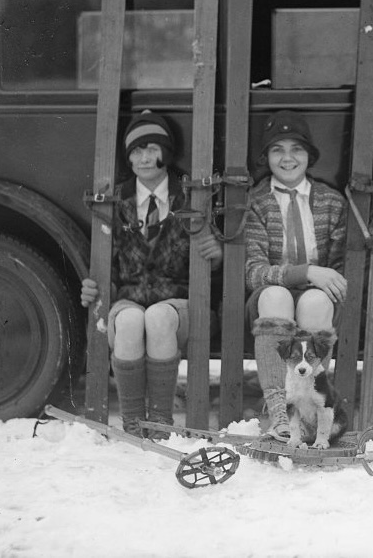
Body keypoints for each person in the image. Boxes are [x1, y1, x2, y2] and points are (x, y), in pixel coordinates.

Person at [80, 111, 222, 437]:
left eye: (152, 149)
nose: (144, 158)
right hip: (130, 302)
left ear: (165, 153)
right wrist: (93, 286)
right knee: (130, 321)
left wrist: (216, 255)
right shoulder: (116, 201)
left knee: (158, 317)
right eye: (136, 151)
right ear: (127, 157)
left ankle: (159, 423)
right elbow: (106, 269)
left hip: (181, 308)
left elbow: (211, 260)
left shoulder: (190, 196)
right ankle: (133, 422)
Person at [245, 110, 347, 441]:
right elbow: (255, 271)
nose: (288, 158)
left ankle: (311, 409)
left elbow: (340, 270)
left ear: (309, 155)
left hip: (316, 302)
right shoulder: (256, 202)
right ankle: (279, 411)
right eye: (277, 150)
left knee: (317, 300)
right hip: (274, 301)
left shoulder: (331, 201)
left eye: (296, 149)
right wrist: (306, 272)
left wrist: (322, 279)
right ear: (266, 157)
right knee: (276, 295)